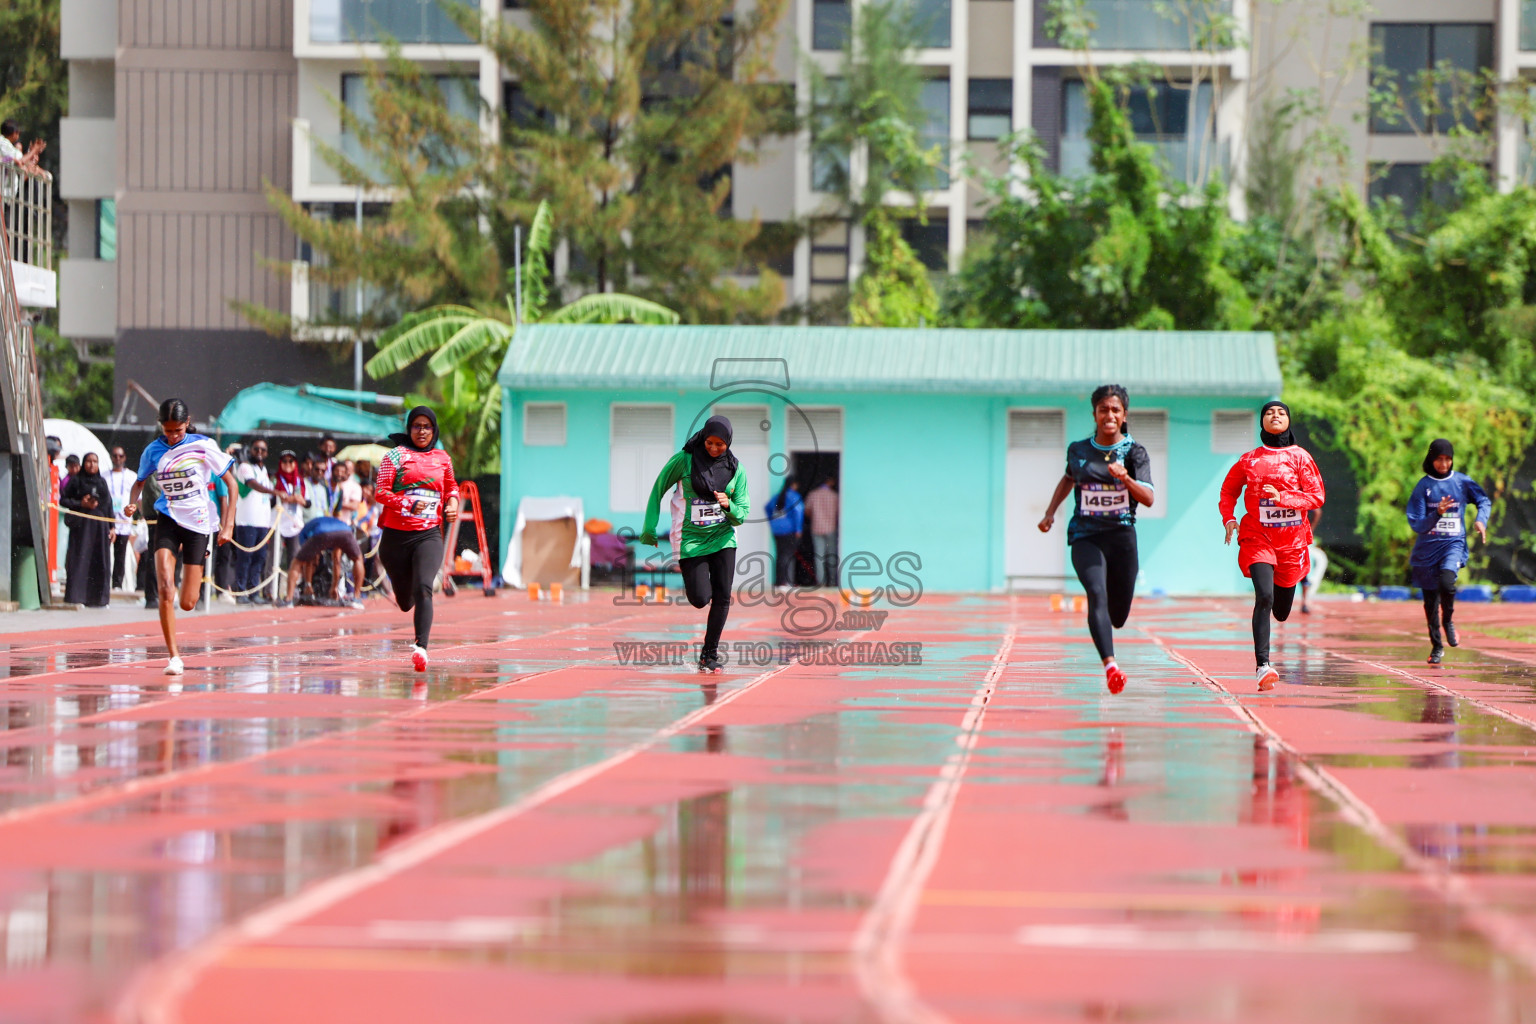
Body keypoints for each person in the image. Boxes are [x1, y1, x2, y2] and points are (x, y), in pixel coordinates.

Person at [1037, 384, 1155, 695]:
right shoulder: (1079, 450)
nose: (1109, 415)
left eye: (1115, 410)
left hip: (1122, 537)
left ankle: (1111, 640)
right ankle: (1111, 666)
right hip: (1085, 535)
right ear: (1095, 414)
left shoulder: (1134, 452)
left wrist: (1125, 478)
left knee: (1119, 615)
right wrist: (1050, 513)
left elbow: (1149, 499)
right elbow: (1068, 478)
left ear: (1124, 415)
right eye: (1103, 409)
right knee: (1096, 592)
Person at [121, 399, 238, 676]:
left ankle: (199, 556)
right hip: (168, 518)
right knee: (164, 586)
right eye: (168, 430)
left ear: (187, 423)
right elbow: (138, 483)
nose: (172, 436)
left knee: (187, 602)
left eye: (178, 430)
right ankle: (173, 657)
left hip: (198, 522)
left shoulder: (203, 445)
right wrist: (131, 502)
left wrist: (228, 525)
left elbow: (232, 484)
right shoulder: (154, 450)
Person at [1220, 401, 1326, 691]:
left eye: (1281, 412)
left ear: (1289, 421)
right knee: (1263, 596)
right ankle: (1262, 665)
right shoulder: (1249, 460)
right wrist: (1228, 518)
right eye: (1269, 412)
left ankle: (1281, 606)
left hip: (1291, 543)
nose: (1275, 415)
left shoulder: (1300, 457)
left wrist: (1284, 499)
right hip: (1257, 536)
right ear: (1262, 423)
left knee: (1280, 611)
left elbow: (1316, 497)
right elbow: (1229, 490)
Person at [639, 415, 748, 673]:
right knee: (700, 598)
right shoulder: (684, 460)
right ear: (703, 438)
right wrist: (649, 528)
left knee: (723, 596)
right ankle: (702, 590)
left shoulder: (736, 469)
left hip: (723, 537)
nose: (713, 448)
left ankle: (709, 655)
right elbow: (658, 488)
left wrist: (727, 505)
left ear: (728, 443)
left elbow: (742, 512)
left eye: (720, 445)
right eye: (709, 442)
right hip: (689, 538)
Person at [376, 407, 458, 672]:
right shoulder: (395, 456)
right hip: (395, 539)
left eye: (427, 427)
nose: (421, 431)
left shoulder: (442, 458)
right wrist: (405, 503)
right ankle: (407, 595)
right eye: (416, 426)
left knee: (424, 587)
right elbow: (380, 492)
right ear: (409, 429)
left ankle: (421, 647)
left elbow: (451, 487)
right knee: (405, 602)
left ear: (433, 430)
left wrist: (453, 502)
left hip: (428, 535)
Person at [1407, 439, 1491, 665]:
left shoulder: (1462, 482)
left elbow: (1483, 500)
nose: (1444, 464)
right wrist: (1438, 514)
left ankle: (1449, 621)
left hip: (1453, 544)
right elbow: (1417, 524)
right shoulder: (1423, 486)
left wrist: (1481, 521)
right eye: (1439, 459)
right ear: (1431, 459)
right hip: (1427, 550)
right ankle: (1436, 646)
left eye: (1448, 459)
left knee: (1447, 582)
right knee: (1430, 603)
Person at [59, 452, 114, 607]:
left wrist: (112, 527)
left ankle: (98, 599)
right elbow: (64, 499)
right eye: (88, 461)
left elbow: (108, 504)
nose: (91, 464)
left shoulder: (102, 482)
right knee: (80, 558)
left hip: (100, 526)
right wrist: (81, 504)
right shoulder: (76, 480)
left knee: (100, 560)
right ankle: (77, 597)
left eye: (95, 461)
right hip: (82, 527)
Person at [285, 515, 365, 610]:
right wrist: (334, 587)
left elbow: (307, 560)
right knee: (358, 559)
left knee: (297, 562)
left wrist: (308, 584)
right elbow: (336, 561)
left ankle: (288, 600)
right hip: (346, 532)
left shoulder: (304, 533)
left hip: (323, 532)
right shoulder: (322, 525)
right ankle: (357, 598)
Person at [233, 439, 278, 603]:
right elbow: (253, 485)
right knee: (245, 557)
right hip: (247, 520)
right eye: (256, 449)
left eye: (263, 450)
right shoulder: (245, 467)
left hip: (262, 521)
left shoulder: (264, 470)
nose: (259, 452)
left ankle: (254, 592)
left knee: (259, 557)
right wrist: (275, 491)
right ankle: (241, 591)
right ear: (251, 450)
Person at [273, 449, 310, 581]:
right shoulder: (275, 479)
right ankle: (270, 592)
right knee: (274, 559)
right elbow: (273, 498)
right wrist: (288, 498)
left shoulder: (300, 480)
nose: (288, 464)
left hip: (295, 525)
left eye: (291, 461)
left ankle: (292, 593)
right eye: (284, 461)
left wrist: (299, 499)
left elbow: (307, 502)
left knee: (294, 559)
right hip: (277, 525)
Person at [765, 476, 805, 591]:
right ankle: (784, 583)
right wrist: (798, 529)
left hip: (777, 529)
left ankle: (778, 582)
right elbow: (798, 513)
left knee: (780, 556)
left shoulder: (777, 496)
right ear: (794, 485)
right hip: (789, 530)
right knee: (787, 556)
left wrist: (772, 521)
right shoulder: (794, 497)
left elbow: (767, 508)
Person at [106, 446, 135, 590]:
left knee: (120, 555)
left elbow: (138, 499)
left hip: (124, 522)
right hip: (108, 521)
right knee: (104, 554)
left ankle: (117, 584)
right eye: (115, 455)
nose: (117, 458)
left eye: (120, 456)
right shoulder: (104, 476)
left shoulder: (131, 476)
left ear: (124, 458)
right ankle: (103, 583)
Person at [805, 477, 839, 586]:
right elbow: (839, 513)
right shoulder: (835, 496)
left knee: (819, 556)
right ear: (831, 482)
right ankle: (833, 582)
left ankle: (821, 583)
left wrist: (816, 517)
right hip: (831, 529)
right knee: (831, 555)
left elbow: (807, 511)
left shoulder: (813, 494)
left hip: (817, 529)